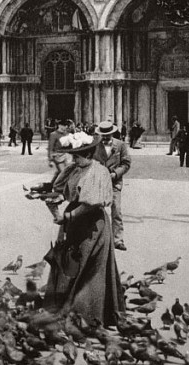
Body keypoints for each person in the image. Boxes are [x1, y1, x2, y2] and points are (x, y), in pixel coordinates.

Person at [43, 132, 126, 327]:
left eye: (77, 155)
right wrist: (53, 198)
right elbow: (62, 190)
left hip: (92, 225)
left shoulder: (99, 171)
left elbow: (91, 204)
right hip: (73, 222)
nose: (73, 159)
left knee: (91, 270)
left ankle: (88, 315)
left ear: (88, 155)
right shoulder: (74, 169)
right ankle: (65, 307)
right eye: (73, 155)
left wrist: (68, 216)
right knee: (68, 264)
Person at [91, 120, 132, 251]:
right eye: (104, 135)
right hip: (99, 183)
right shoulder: (95, 145)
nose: (106, 137)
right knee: (96, 210)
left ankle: (118, 239)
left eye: (108, 135)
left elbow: (126, 163)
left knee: (117, 211)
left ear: (112, 133)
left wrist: (115, 174)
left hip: (115, 183)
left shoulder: (120, 145)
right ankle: (97, 240)